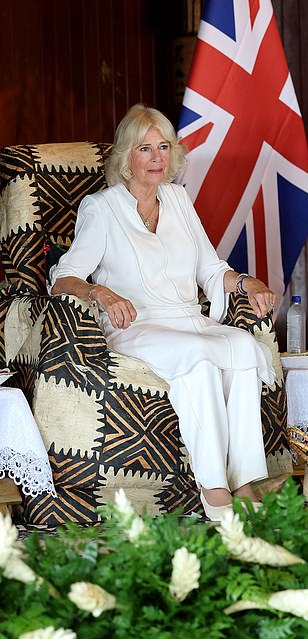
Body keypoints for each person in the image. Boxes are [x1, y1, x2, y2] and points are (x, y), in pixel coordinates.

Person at [50, 104, 276, 521]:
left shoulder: (178, 198)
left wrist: (247, 283)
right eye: (145, 149)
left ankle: (244, 481)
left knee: (243, 345)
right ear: (125, 158)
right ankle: (214, 488)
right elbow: (64, 279)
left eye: (164, 147)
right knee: (200, 358)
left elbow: (210, 267)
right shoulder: (101, 208)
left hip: (189, 319)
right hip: (137, 324)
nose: (157, 158)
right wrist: (100, 292)